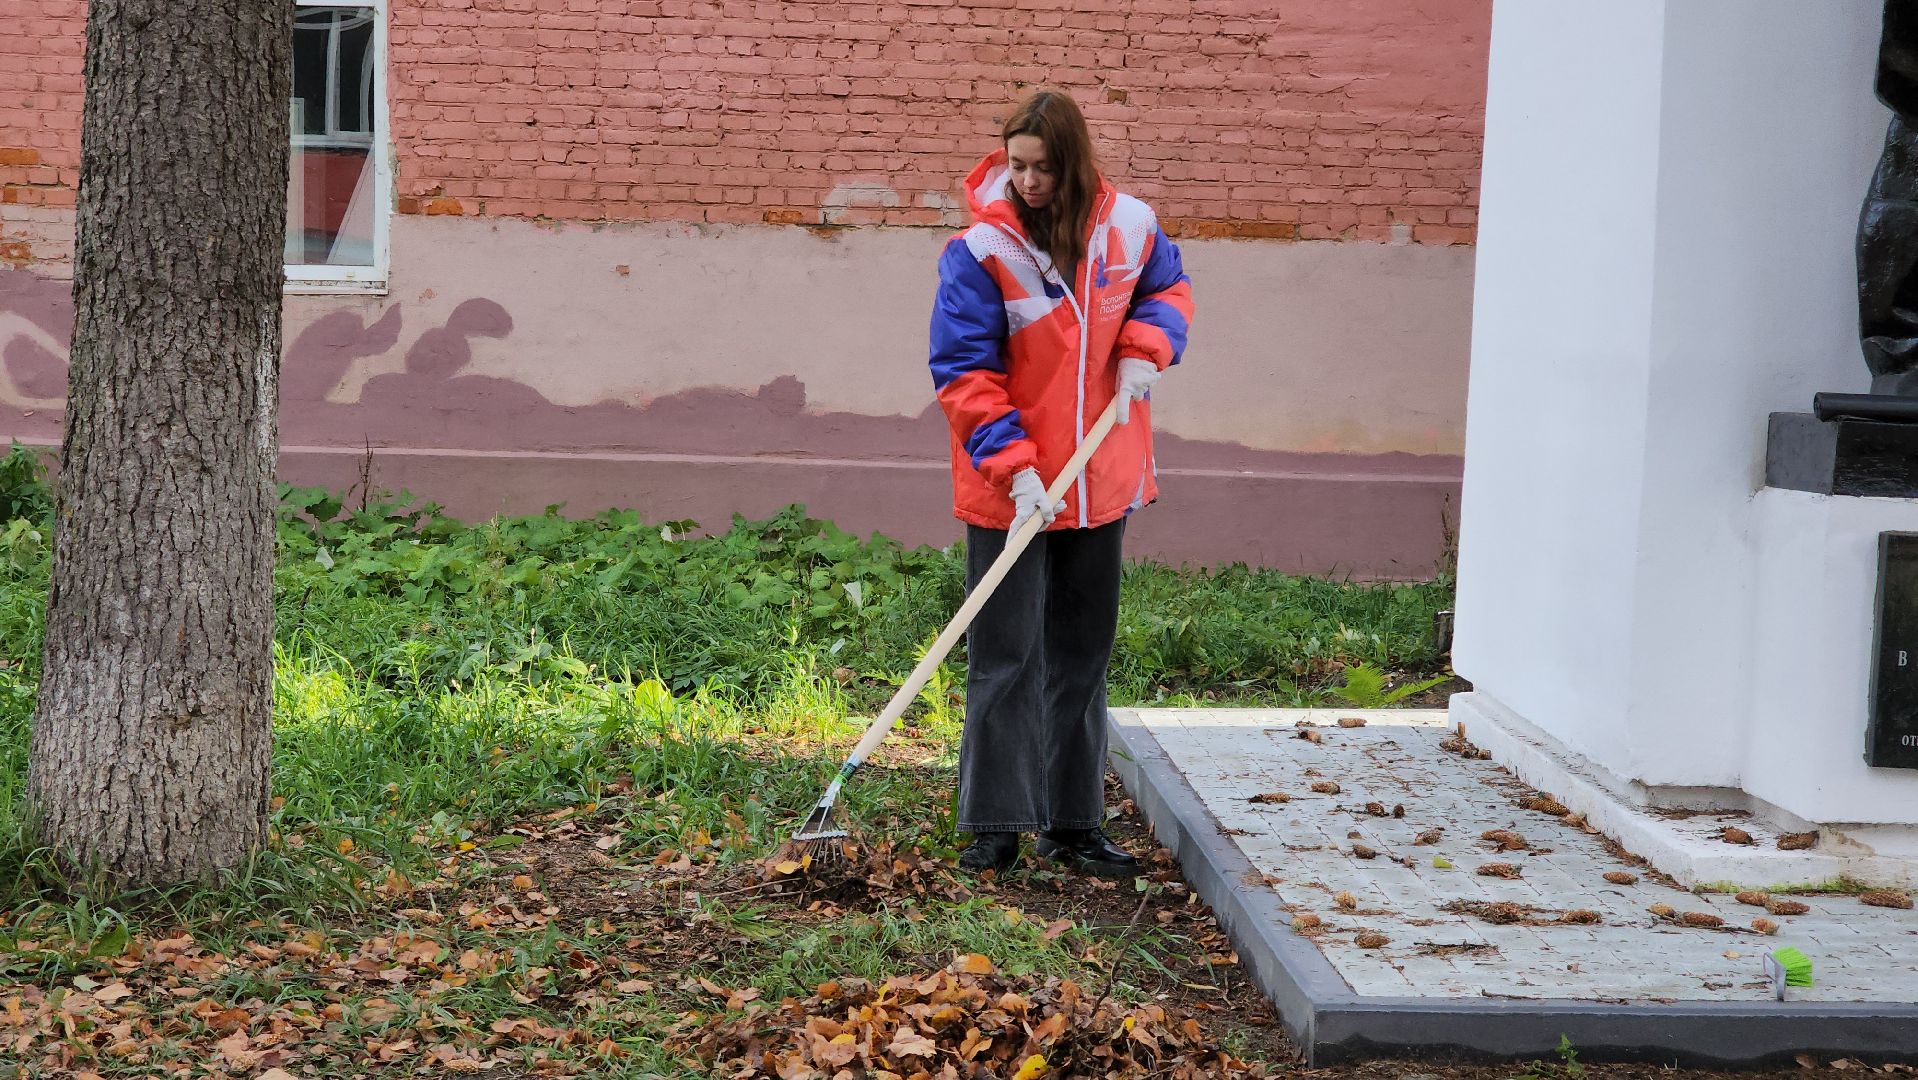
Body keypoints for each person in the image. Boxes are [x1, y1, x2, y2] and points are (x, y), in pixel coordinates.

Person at [927, 89, 1194, 877]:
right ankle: (995, 825)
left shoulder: (1131, 228)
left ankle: (1073, 825)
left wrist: (1146, 348)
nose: (1028, 181)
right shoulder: (983, 251)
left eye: (1042, 168)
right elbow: (964, 371)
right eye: (1017, 166)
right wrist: (1015, 471)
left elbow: (1168, 291)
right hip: (1011, 484)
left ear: (1072, 165)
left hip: (1099, 477)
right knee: (1005, 656)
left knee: (1081, 653)